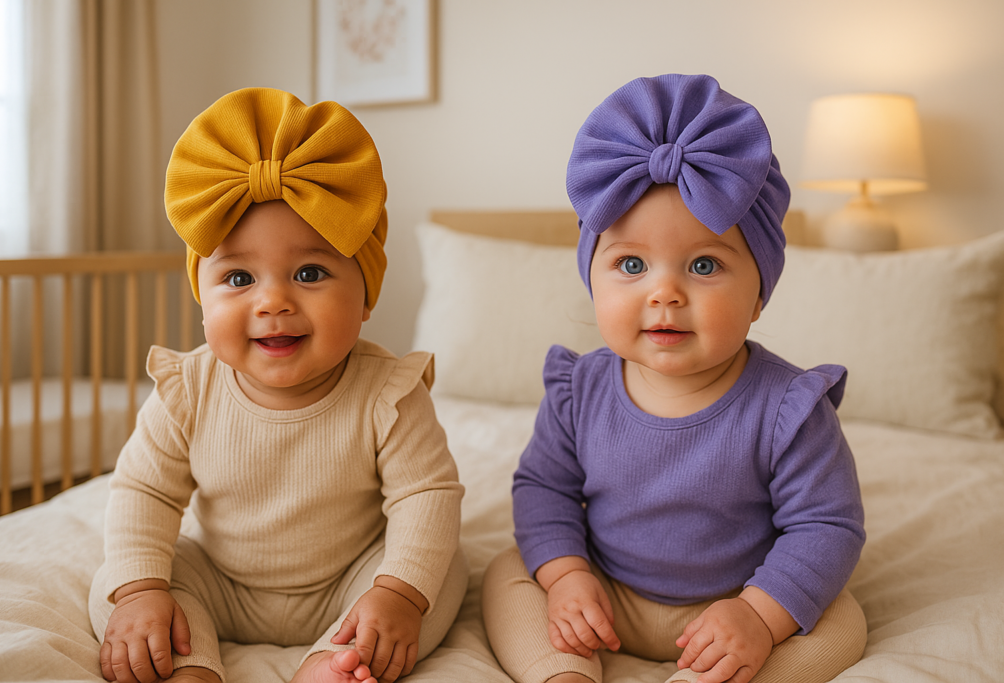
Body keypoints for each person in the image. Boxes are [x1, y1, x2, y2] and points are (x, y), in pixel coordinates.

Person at [482, 74, 867, 683]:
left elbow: (827, 525)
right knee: (509, 574)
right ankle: (562, 673)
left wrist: (759, 616)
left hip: (739, 599)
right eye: (630, 264)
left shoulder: (789, 408)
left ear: (759, 293)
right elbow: (545, 489)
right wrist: (568, 577)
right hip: (609, 596)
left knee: (840, 619)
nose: (664, 292)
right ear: (592, 279)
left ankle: (711, 672)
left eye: (704, 264)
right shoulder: (578, 391)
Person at [88, 87, 467, 683]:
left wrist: (397, 592)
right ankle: (190, 663)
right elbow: (145, 492)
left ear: (365, 295)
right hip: (221, 579)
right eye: (238, 277)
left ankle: (331, 661)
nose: (272, 302)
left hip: (349, 579)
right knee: (124, 578)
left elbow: (427, 497)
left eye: (310, 272)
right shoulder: (187, 390)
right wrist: (139, 591)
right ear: (202, 296)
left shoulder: (389, 393)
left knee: (438, 575)